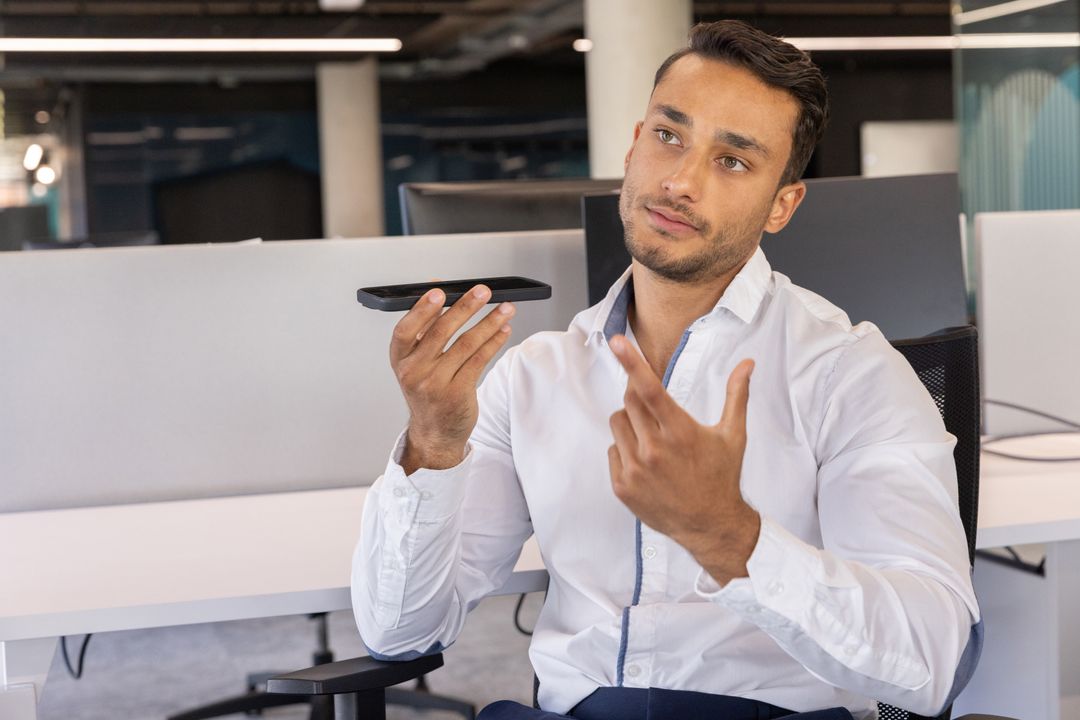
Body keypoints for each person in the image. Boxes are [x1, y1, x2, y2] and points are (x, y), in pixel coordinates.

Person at [352, 19, 981, 720]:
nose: (680, 181)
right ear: (633, 145)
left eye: (733, 160)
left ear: (783, 205)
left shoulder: (850, 374)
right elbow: (401, 633)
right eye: (669, 136)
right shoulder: (531, 376)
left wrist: (729, 536)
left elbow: (934, 659)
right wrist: (433, 447)